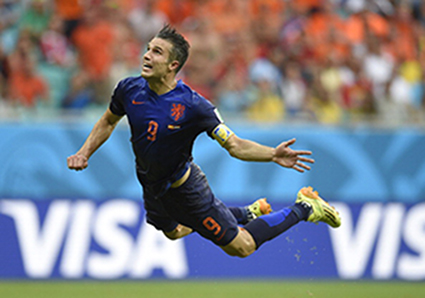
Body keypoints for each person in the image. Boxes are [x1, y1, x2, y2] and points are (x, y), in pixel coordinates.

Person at [67, 25, 341, 258]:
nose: (146, 56)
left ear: (173, 65)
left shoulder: (194, 106)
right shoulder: (128, 89)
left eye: (157, 52)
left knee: (242, 247)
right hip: (152, 186)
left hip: (186, 190)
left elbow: (234, 145)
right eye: (149, 48)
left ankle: (305, 207)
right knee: (174, 231)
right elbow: (107, 121)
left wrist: (273, 154)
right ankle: (247, 212)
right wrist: (84, 152)